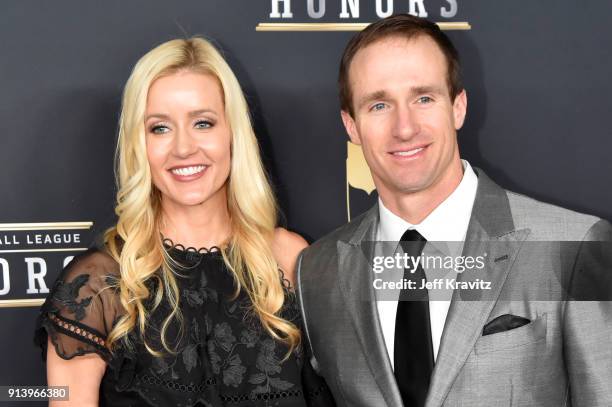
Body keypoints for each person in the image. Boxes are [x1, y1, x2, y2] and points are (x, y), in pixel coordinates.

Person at [297, 14, 612, 407]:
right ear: (352, 126)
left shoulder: (572, 248)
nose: (405, 127)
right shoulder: (316, 272)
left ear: (458, 107)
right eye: (379, 105)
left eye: (423, 98)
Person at [35, 37, 334, 407]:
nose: (183, 148)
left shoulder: (288, 259)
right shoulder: (96, 287)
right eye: (160, 128)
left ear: (233, 135)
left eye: (203, 123)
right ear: (138, 144)